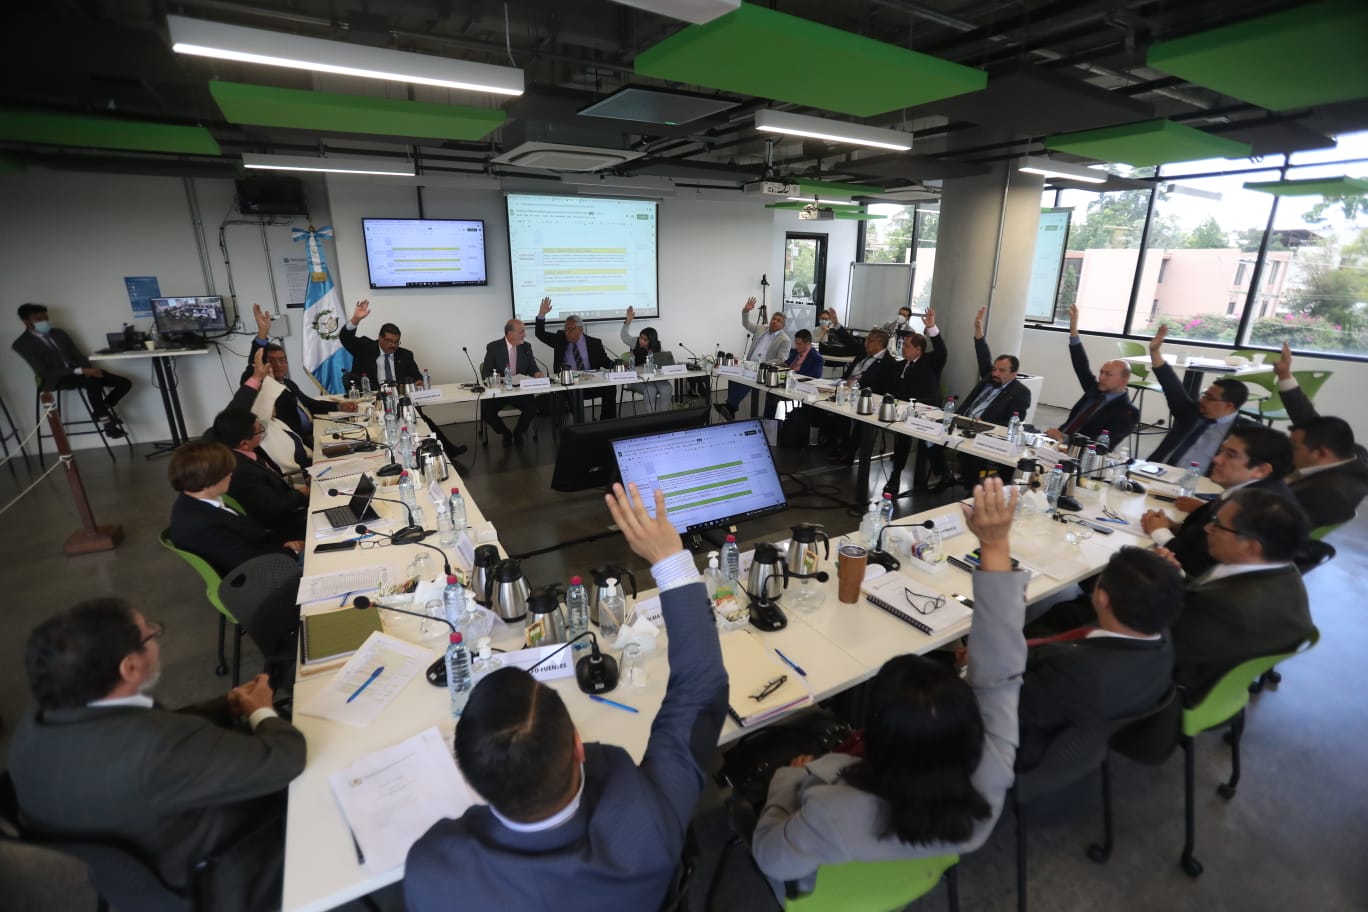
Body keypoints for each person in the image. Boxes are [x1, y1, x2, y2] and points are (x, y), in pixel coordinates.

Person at [404, 482, 728, 911]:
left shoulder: (433, 871)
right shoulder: (648, 825)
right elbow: (702, 687)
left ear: (470, 779)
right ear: (578, 746)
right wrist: (669, 560)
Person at [749, 479, 1026, 899]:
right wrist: (994, 545)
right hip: (920, 873)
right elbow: (1002, 669)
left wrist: (788, 779)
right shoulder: (993, 765)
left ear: (873, 739)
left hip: (824, 892)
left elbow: (769, 854)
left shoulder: (832, 811)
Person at [8, 598, 305, 912]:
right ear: (130, 667)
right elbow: (286, 757)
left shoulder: (32, 730)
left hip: (133, 880)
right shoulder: (157, 750)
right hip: (228, 870)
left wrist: (226, 705)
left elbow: (148, 725)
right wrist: (262, 711)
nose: (155, 635)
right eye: (150, 634)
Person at [1015, 547, 1184, 771]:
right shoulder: (1160, 634)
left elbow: (1004, 706)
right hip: (1092, 720)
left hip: (1027, 746)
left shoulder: (1080, 673)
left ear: (1102, 598)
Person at [1169, 489, 1315, 702]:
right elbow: (1214, 591)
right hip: (1219, 662)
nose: (1207, 528)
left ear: (1252, 546)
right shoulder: (1283, 569)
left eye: (1218, 525)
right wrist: (1176, 576)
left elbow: (1163, 646)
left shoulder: (1224, 606)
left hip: (1182, 687)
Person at [1140, 424, 1294, 578]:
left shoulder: (1259, 507)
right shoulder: (1251, 489)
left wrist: (1160, 532)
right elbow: (1202, 536)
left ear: (1261, 470)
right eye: (1222, 451)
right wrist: (1175, 527)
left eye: (1231, 455)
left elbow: (1200, 564)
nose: (1216, 459)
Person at [168, 439, 303, 575]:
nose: (231, 475)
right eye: (227, 472)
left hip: (267, 556)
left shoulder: (194, 500)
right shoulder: (201, 526)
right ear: (211, 478)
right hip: (263, 578)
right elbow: (251, 563)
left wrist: (285, 545)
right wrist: (293, 551)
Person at [1272, 341, 1368, 527]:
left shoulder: (1327, 495)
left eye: (1295, 448)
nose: (1288, 450)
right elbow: (1308, 422)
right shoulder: (1352, 453)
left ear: (1322, 453)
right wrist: (1284, 375)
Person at [244, 304, 356, 450]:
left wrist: (339, 406)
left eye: (282, 360)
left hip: (314, 431)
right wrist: (262, 334)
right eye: (272, 361)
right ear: (263, 365)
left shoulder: (288, 383)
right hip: (296, 444)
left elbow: (309, 403)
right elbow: (254, 364)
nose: (278, 365)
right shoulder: (263, 389)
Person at [12, 303, 131, 438]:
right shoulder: (21, 344)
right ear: (26, 321)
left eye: (46, 318)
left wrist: (86, 369)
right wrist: (81, 371)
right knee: (91, 381)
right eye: (39, 320)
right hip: (56, 377)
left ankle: (101, 411)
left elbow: (78, 355)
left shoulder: (59, 333)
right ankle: (108, 424)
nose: (44, 322)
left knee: (124, 383)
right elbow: (44, 372)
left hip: (82, 372)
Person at [1144, 325, 1253, 472]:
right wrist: (1154, 352)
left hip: (1199, 486)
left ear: (1229, 406)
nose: (1202, 401)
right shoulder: (1190, 412)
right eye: (1204, 395)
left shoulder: (1244, 432)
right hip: (1157, 472)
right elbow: (1170, 385)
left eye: (1209, 398)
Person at [869, 308, 947, 496]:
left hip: (925, 410)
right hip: (903, 411)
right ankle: (896, 476)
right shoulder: (899, 365)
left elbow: (942, 352)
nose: (903, 348)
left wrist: (932, 328)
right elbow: (886, 384)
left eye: (906, 346)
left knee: (925, 442)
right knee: (902, 438)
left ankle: (943, 473)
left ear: (918, 350)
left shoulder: (929, 362)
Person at [955, 306, 1033, 489]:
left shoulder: (1020, 392)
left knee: (970, 456)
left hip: (983, 434)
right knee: (928, 443)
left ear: (1014, 374)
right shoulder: (989, 379)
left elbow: (1013, 423)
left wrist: (986, 424)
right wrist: (978, 330)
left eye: (1002, 370)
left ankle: (972, 490)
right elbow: (983, 355)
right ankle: (942, 474)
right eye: (994, 369)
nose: (995, 373)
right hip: (960, 423)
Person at [1045, 303, 1138, 447]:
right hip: (1055, 443)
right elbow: (1081, 365)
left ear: (1124, 379)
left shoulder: (1127, 412)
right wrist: (1074, 331)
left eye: (1108, 374)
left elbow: (1102, 446)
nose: (1101, 378)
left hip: (1077, 454)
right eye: (1101, 372)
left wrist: (1065, 439)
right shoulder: (1095, 389)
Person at [212, 406, 309, 540]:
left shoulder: (251, 451)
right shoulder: (242, 472)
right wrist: (302, 493)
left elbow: (275, 478)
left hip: (289, 502)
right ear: (244, 443)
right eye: (259, 431)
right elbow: (274, 507)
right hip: (285, 526)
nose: (262, 433)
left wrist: (303, 480)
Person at [535, 297, 617, 421]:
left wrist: (616, 365)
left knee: (610, 387)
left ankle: (607, 423)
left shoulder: (594, 343)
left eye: (570, 329)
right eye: (565, 329)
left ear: (580, 329)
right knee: (573, 392)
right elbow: (540, 333)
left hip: (591, 382)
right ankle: (580, 426)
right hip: (569, 384)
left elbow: (604, 361)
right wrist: (542, 314)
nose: (567, 332)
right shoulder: (560, 339)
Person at [716, 297, 791, 420]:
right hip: (750, 365)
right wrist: (745, 311)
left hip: (764, 370)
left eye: (778, 321)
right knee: (733, 376)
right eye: (773, 319)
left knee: (748, 378)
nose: (774, 322)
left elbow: (781, 359)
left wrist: (764, 364)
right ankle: (731, 408)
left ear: (782, 325)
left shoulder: (785, 340)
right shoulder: (762, 329)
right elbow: (746, 324)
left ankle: (730, 407)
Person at [481, 318, 543, 446]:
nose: (524, 335)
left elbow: (532, 367)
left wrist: (537, 373)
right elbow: (486, 372)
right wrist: (495, 377)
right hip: (500, 391)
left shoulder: (526, 347)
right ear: (510, 334)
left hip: (519, 390)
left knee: (532, 408)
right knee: (487, 412)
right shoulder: (493, 347)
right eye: (521, 332)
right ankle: (505, 433)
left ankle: (519, 432)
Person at [340, 298, 423, 388]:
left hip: (399, 397)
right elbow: (345, 338)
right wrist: (355, 319)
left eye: (396, 342)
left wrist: (419, 382)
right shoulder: (364, 348)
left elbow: (417, 377)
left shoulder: (405, 355)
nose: (393, 345)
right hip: (370, 398)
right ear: (380, 338)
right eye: (389, 341)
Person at [620, 306, 674, 412]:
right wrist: (628, 321)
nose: (641, 340)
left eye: (644, 339)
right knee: (650, 389)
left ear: (651, 341)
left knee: (667, 388)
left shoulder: (658, 348)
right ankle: (651, 419)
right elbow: (624, 336)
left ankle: (664, 418)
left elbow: (664, 363)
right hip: (637, 379)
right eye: (641, 337)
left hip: (655, 378)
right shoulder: (634, 342)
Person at [763, 329, 824, 419]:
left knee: (773, 395)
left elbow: (816, 376)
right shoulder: (796, 352)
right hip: (786, 382)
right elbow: (787, 363)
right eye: (796, 343)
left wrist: (792, 373)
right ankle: (768, 421)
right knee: (770, 391)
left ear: (808, 344)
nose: (796, 346)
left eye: (799, 344)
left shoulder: (816, 358)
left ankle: (772, 421)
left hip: (801, 388)